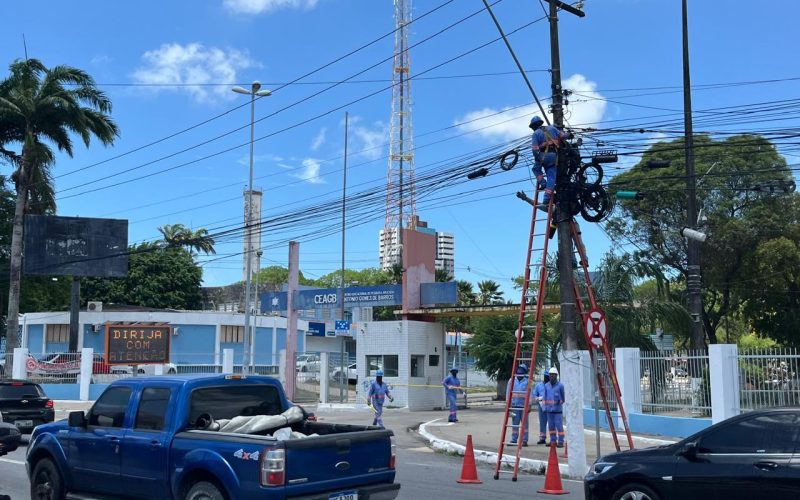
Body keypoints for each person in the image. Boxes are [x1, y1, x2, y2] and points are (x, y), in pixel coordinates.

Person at [529, 116, 569, 209]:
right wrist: (569, 134)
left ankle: (543, 183)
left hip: (543, 155)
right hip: (554, 156)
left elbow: (534, 150)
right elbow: (563, 136)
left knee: (536, 169)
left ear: (534, 126)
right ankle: (546, 198)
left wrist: (537, 159)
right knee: (551, 176)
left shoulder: (536, 133)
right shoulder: (552, 128)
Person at [506, 364, 531, 445]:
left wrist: (529, 404)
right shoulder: (511, 381)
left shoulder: (528, 382)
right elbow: (508, 393)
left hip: (524, 406)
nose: (520, 372)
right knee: (515, 424)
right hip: (514, 406)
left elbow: (530, 394)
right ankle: (514, 439)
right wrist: (508, 405)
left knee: (524, 424)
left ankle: (524, 440)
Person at [542, 366, 566, 447]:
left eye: (553, 375)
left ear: (556, 375)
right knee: (551, 427)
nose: (551, 376)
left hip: (557, 411)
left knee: (559, 427)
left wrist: (559, 402)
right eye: (550, 375)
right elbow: (544, 398)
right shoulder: (546, 386)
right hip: (549, 411)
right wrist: (544, 408)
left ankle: (561, 441)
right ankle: (553, 441)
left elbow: (563, 398)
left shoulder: (560, 386)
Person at [532, 369, 550, 445]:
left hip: (550, 407)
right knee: (542, 422)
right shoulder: (539, 385)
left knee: (551, 423)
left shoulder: (552, 385)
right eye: (545, 376)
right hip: (541, 406)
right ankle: (542, 438)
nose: (546, 378)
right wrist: (538, 398)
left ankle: (553, 439)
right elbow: (534, 395)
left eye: (547, 376)